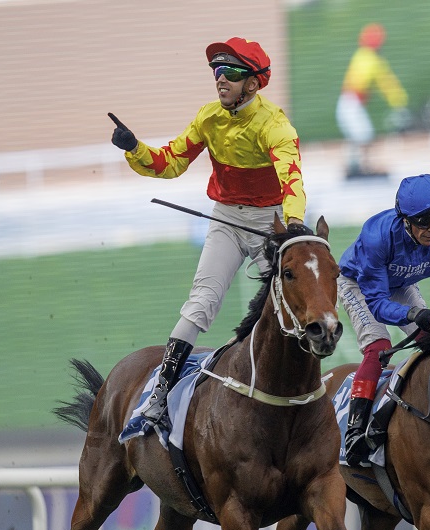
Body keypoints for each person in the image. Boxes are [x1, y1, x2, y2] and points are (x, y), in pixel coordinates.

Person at [108, 37, 305, 428]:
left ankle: (303, 393)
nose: (220, 79)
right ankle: (159, 396)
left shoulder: (275, 124)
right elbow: (170, 163)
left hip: (270, 224)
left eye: (229, 72)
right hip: (226, 219)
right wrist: (134, 148)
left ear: (253, 83)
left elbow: (292, 178)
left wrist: (295, 224)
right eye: (217, 71)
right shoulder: (208, 117)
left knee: (293, 306)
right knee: (201, 303)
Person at [338, 174, 430, 467]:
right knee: (379, 346)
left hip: (401, 283)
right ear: (405, 219)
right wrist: (414, 314)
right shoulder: (377, 237)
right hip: (360, 285)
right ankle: (355, 428)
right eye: (424, 221)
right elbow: (378, 304)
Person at [336, 23, 409, 179]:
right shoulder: (371, 59)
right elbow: (386, 83)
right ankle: (361, 168)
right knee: (364, 135)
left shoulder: (361, 55)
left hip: (349, 103)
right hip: (352, 103)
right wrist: (399, 101)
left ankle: (356, 168)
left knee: (360, 136)